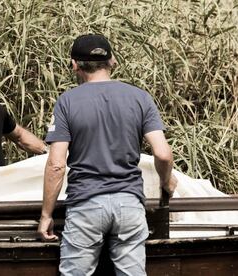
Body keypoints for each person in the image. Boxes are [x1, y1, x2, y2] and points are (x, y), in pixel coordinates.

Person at [37, 34, 177, 276]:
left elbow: (56, 165)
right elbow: (163, 154)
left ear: (74, 65)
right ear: (112, 60)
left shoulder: (67, 102)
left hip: (86, 205)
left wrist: (46, 214)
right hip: (129, 204)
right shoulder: (140, 98)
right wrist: (166, 182)